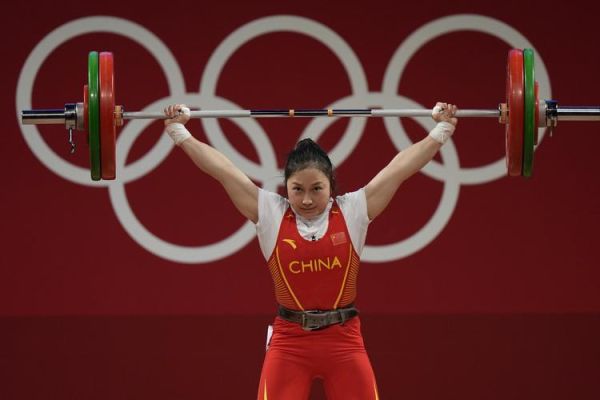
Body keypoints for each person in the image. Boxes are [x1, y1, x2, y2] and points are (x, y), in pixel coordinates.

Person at [163, 102, 458, 400]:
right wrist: (179, 131)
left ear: (331, 185)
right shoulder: (270, 213)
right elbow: (222, 170)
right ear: (286, 187)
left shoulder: (352, 210)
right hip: (289, 344)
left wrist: (441, 129)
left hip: (344, 342)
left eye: (316, 188)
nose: (306, 200)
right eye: (297, 189)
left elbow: (399, 169)